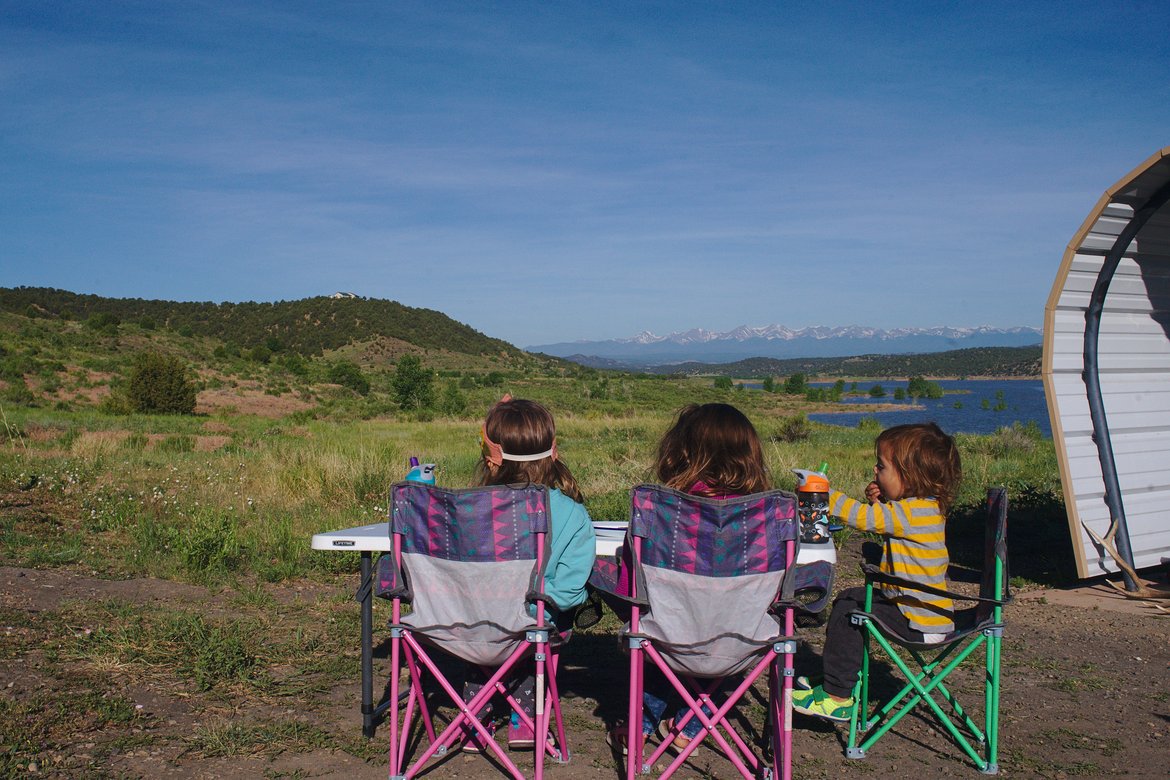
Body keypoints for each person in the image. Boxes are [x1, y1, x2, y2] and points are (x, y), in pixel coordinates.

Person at [609, 402, 771, 754]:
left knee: (652, 625)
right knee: (711, 631)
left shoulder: (659, 512)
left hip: (669, 636)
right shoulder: (765, 519)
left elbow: (630, 588)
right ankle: (692, 724)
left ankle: (641, 724)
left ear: (679, 452)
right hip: (738, 639)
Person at [793, 422, 961, 723]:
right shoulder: (924, 507)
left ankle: (836, 697)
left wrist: (825, 494)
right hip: (923, 610)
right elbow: (888, 519)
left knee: (848, 611)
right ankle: (836, 679)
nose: (875, 471)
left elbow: (866, 519)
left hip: (918, 619)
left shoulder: (914, 511)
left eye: (881, 467)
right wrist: (881, 500)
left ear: (909, 476)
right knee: (850, 599)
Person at [461, 396, 596, 751]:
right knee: (542, 626)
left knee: (493, 629)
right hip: (534, 630)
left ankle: (476, 714)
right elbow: (569, 592)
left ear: (491, 458)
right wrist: (533, 594)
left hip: (469, 627)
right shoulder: (571, 514)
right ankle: (526, 718)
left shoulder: (464, 511)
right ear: (553, 452)